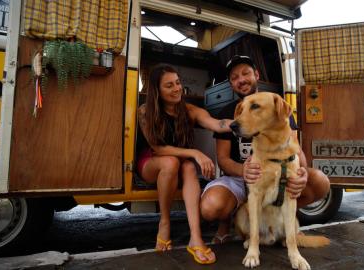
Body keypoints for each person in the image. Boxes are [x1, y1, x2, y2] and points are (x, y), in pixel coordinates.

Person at [200, 55, 331, 244]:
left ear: (257, 75)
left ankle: (282, 222)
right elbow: (223, 159)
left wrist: (301, 174)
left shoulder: (277, 105)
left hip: (277, 176)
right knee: (211, 206)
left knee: (320, 181)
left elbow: (296, 150)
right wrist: (243, 170)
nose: (241, 79)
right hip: (241, 178)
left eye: (246, 73)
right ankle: (228, 222)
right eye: (235, 77)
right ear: (231, 84)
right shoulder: (228, 113)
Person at [137, 64, 232, 264]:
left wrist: (243, 121)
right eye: (169, 85)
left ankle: (195, 237)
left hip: (180, 164)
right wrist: (195, 152)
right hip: (151, 163)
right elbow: (159, 149)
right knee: (172, 162)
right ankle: (164, 222)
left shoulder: (189, 110)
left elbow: (217, 124)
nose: (177, 89)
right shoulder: (145, 111)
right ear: (157, 90)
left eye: (178, 83)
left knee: (188, 166)